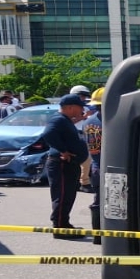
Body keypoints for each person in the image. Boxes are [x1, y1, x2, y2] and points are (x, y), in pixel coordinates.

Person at [44, 93, 90, 238]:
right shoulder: (58, 119)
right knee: (62, 195)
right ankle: (59, 227)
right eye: (79, 107)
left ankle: (64, 223)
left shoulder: (65, 119)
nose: (82, 110)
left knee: (68, 195)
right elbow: (48, 134)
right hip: (61, 164)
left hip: (69, 164)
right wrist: (63, 150)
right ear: (70, 107)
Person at [82, 88, 105, 244]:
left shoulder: (88, 122)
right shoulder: (114, 120)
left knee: (98, 200)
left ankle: (98, 236)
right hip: (113, 167)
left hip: (96, 166)